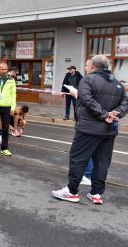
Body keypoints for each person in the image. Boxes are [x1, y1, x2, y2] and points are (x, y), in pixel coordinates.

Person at [52, 55, 127, 205]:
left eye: (87, 66)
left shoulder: (87, 80)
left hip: (88, 129)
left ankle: (72, 191)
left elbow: (87, 99)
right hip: (109, 130)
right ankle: (96, 193)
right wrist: (116, 114)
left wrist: (105, 114)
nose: (85, 68)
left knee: (78, 159)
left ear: (93, 66)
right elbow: (125, 102)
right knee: (102, 162)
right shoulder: (117, 84)